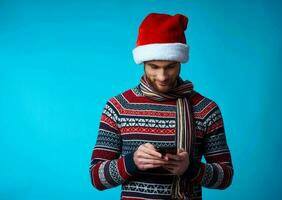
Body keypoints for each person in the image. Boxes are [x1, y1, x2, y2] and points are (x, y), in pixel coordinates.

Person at [89, 13, 234, 200]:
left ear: (180, 62)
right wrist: (132, 162)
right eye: (154, 67)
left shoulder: (205, 109)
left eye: (170, 66)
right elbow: (96, 177)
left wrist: (190, 168)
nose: (163, 76)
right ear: (143, 63)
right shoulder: (118, 107)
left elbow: (226, 177)